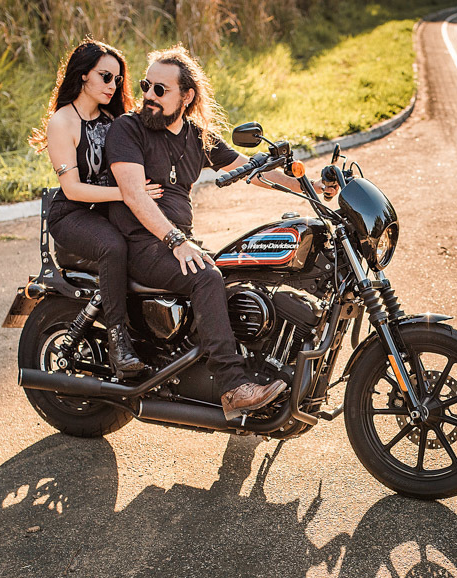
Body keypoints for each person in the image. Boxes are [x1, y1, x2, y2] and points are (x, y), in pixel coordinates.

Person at [106, 45, 337, 421]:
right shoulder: (128, 129)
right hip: (141, 242)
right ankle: (233, 388)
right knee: (207, 277)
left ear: (186, 96)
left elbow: (253, 170)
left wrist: (309, 187)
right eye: (147, 85)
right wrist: (176, 241)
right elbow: (134, 196)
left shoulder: (197, 136)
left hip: (171, 240)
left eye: (159, 90)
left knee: (240, 272)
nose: (147, 95)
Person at [30, 39, 165, 380]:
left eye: (118, 79)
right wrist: (128, 193)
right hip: (73, 215)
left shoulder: (114, 118)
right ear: (83, 75)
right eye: (105, 77)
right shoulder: (63, 122)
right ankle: (119, 344)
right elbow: (72, 188)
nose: (112, 85)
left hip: (109, 210)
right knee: (113, 246)